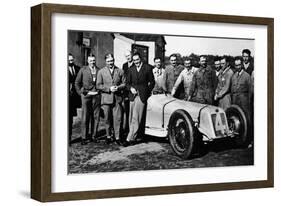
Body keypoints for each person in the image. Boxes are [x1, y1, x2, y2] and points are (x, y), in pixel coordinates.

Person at [123, 52, 155, 146]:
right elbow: (127, 83)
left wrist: (146, 91)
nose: (136, 62)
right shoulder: (131, 69)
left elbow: (152, 82)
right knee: (131, 117)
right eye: (134, 60)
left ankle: (130, 138)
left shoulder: (148, 68)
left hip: (142, 96)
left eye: (137, 60)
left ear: (140, 59)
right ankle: (134, 135)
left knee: (136, 117)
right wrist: (131, 88)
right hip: (132, 96)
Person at [96, 54, 126, 145]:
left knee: (118, 119)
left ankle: (117, 137)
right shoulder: (101, 72)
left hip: (117, 99)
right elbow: (98, 85)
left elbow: (124, 83)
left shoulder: (120, 71)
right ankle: (108, 136)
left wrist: (118, 87)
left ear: (114, 60)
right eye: (108, 61)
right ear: (106, 61)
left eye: (112, 61)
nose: (110, 63)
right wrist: (108, 89)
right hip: (106, 99)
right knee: (107, 119)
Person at [75, 53, 101, 145]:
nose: (92, 62)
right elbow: (77, 83)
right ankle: (84, 137)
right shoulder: (83, 70)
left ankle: (94, 136)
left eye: (93, 60)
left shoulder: (99, 70)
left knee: (96, 117)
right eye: (90, 61)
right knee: (85, 117)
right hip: (86, 97)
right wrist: (81, 93)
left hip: (97, 96)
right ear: (87, 61)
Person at [231, 57, 252, 122]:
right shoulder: (233, 76)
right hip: (235, 102)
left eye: (239, 65)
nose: (238, 67)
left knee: (246, 119)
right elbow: (232, 90)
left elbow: (250, 91)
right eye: (236, 65)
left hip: (244, 102)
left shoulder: (247, 76)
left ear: (242, 65)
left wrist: (247, 102)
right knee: (237, 119)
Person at [68, 53, 81, 146]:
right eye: (69, 60)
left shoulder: (77, 69)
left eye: (72, 60)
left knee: (70, 120)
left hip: (73, 99)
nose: (71, 61)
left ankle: (68, 139)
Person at [121, 50, 134, 136]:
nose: (128, 57)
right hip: (126, 90)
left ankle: (132, 129)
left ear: (132, 55)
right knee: (126, 111)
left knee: (133, 111)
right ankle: (127, 129)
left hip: (133, 90)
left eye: (129, 55)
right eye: (126, 56)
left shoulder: (136, 63)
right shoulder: (124, 65)